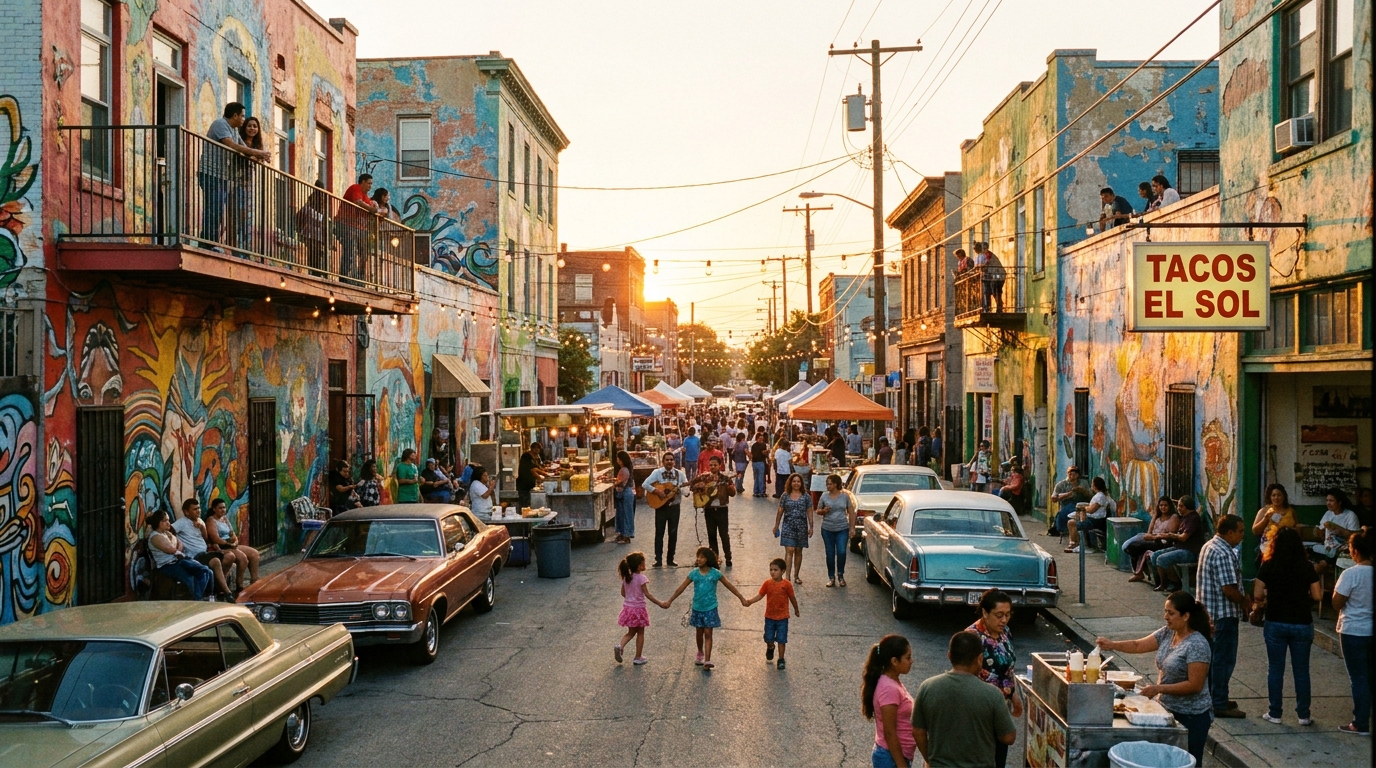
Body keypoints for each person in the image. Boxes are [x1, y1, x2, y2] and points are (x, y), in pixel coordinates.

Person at [1097, 592, 1214, 766]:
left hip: (1192, 717)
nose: (1165, 617)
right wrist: (1112, 645)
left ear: (1186, 616)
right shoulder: (1168, 632)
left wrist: (1158, 688)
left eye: (1171, 613)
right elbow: (1139, 645)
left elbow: (1195, 685)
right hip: (1167, 711)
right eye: (1165, 611)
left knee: (1186, 762)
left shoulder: (1197, 644)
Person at [912, 631, 1017, 768]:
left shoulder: (927, 687)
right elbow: (1008, 737)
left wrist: (930, 760)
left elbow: (918, 731)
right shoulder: (992, 694)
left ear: (949, 656)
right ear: (980, 659)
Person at [1253, 526, 1321, 725]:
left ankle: (1275, 713)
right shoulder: (1306, 566)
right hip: (1301, 622)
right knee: (1301, 670)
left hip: (1275, 621)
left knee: (1275, 668)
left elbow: (1257, 593)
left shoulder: (1269, 565)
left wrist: (1268, 594)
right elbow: (1317, 595)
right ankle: (1303, 715)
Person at [663, 547, 748, 671]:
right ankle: (700, 652)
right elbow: (681, 588)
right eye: (698, 556)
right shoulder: (694, 574)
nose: (699, 559)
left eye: (702, 557)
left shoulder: (715, 573)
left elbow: (729, 585)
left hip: (711, 608)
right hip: (697, 608)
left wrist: (741, 597)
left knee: (708, 633)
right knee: (699, 633)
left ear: (708, 559)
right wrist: (670, 600)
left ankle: (707, 659)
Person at [1199, 514, 1250, 719]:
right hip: (1222, 615)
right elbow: (1228, 589)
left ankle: (1215, 696)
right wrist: (1245, 601)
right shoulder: (1223, 553)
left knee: (1214, 659)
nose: (1242, 536)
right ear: (1230, 532)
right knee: (1223, 660)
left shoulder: (1209, 546)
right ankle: (1219, 701)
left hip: (1209, 614)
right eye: (1240, 532)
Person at [967, 590, 1023, 768]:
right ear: (985, 612)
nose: (1004, 620)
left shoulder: (1005, 632)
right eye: (999, 615)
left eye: (1008, 615)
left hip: (1001, 708)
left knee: (999, 758)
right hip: (979, 712)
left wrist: (1014, 695)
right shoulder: (972, 637)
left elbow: (1008, 669)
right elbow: (964, 676)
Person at [199, 103, 267, 249]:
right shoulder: (220, 124)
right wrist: (259, 153)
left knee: (217, 210)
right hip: (210, 173)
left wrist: (259, 158)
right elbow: (233, 146)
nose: (243, 119)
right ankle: (207, 243)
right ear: (235, 115)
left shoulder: (234, 131)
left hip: (221, 176)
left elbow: (245, 150)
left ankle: (210, 242)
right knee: (214, 209)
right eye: (242, 116)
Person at [1333, 529, 1373, 735]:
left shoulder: (1350, 574)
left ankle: (1360, 722)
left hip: (1353, 630)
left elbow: (1337, 602)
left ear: (1355, 551)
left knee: (1358, 678)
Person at [862, 634, 916, 768]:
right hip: (891, 759)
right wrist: (901, 765)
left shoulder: (892, 681)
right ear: (894, 661)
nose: (911, 661)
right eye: (908, 657)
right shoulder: (888, 689)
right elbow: (890, 733)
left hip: (894, 757)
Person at [744, 557, 800, 670]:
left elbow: (792, 597)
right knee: (769, 637)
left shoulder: (787, 585)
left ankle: (781, 659)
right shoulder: (767, 584)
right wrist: (750, 601)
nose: (772, 572)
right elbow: (760, 595)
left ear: (783, 571)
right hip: (769, 617)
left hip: (783, 617)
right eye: (771, 570)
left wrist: (796, 609)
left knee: (781, 639)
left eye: (776, 570)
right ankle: (770, 647)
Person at [172, 499, 234, 599]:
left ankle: (219, 586)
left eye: (199, 508)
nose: (198, 511)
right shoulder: (181, 523)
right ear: (186, 512)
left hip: (205, 553)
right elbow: (169, 531)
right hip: (194, 556)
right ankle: (227, 593)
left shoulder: (200, 521)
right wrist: (177, 544)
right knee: (215, 561)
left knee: (230, 556)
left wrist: (202, 528)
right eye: (195, 509)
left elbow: (206, 539)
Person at [146, 510, 213, 600]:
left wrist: (175, 546)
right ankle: (198, 600)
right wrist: (175, 545)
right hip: (167, 565)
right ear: (158, 522)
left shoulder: (166, 533)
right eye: (165, 521)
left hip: (179, 560)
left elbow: (180, 545)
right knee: (189, 579)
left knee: (205, 571)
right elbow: (170, 550)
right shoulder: (155, 537)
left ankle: (201, 597)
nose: (168, 523)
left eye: (168, 520)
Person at [614, 552, 667, 665]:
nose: (645, 565)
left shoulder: (626, 578)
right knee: (640, 632)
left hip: (628, 609)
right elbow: (647, 594)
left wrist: (630, 598)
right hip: (639, 609)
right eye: (643, 563)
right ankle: (638, 657)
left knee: (630, 632)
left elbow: (623, 593)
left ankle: (620, 646)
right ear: (638, 566)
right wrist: (659, 603)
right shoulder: (641, 578)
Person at [1150, 496, 1206, 592]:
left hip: (1190, 551)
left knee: (1162, 559)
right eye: (1178, 506)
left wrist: (1170, 535)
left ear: (1188, 507)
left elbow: (1183, 537)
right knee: (1155, 555)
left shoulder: (1193, 518)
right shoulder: (1185, 517)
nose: (1178, 508)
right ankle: (1165, 582)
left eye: (1181, 506)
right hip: (1180, 547)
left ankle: (1173, 583)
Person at [642, 452, 687, 568]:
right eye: (667, 460)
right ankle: (658, 560)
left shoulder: (680, 474)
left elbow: (687, 491)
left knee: (673, 533)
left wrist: (681, 490)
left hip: (674, 508)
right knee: (659, 533)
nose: (669, 462)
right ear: (663, 462)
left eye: (671, 460)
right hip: (661, 507)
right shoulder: (657, 473)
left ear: (674, 462)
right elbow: (645, 484)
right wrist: (657, 491)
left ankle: (670, 559)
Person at [692, 456, 736, 568]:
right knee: (712, 535)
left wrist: (729, 488)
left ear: (720, 465)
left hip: (722, 509)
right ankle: (715, 558)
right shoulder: (704, 477)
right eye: (711, 465)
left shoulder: (725, 478)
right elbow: (692, 486)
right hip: (709, 509)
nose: (712, 467)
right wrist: (698, 486)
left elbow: (732, 493)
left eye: (715, 465)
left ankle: (728, 557)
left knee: (724, 534)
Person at [206, 498, 259, 589]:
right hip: (222, 546)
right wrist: (229, 544)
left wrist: (235, 541)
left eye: (224, 507)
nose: (223, 510)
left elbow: (232, 533)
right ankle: (239, 584)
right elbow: (215, 538)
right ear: (214, 509)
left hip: (231, 544)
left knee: (254, 554)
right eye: (220, 508)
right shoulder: (211, 520)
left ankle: (254, 581)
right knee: (243, 558)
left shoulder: (225, 519)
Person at [1124, 496, 1180, 582]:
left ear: (1170, 506)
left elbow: (1169, 535)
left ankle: (1138, 573)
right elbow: (1148, 533)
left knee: (1134, 548)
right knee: (1130, 547)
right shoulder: (1157, 517)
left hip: (1163, 543)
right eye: (1161, 505)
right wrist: (1154, 517)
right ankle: (1138, 572)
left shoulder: (1173, 517)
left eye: (1165, 505)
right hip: (1152, 540)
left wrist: (1154, 536)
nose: (1163, 507)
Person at [816, 473, 857, 588]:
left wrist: (852, 527)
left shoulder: (844, 496)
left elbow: (851, 512)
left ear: (836, 484)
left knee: (841, 552)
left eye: (830, 484)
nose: (828, 486)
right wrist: (824, 511)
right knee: (830, 554)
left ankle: (840, 575)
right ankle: (831, 577)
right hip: (827, 529)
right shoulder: (824, 496)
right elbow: (818, 510)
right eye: (827, 484)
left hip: (842, 528)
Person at [1309, 488, 1360, 576]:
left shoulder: (1350, 515)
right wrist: (1318, 531)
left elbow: (1356, 537)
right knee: (1309, 550)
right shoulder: (1328, 513)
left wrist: (1338, 528)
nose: (1328, 503)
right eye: (1327, 500)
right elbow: (1320, 532)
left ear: (1339, 502)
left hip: (1342, 550)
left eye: (1331, 501)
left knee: (1327, 560)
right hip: (1327, 548)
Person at [236, 115, 268, 248]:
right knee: (236, 215)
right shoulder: (239, 141)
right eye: (249, 126)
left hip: (248, 183)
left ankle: (245, 248)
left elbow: (261, 159)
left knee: (247, 216)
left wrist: (260, 157)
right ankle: (236, 246)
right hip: (236, 181)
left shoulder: (257, 145)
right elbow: (240, 154)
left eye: (255, 126)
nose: (252, 128)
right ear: (244, 127)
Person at [774, 474, 813, 585]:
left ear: (801, 483)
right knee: (789, 550)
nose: (796, 483)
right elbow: (780, 511)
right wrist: (776, 525)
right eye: (794, 481)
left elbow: (810, 511)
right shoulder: (785, 496)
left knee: (798, 551)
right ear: (790, 483)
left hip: (801, 527)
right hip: (788, 526)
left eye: (798, 481)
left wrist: (811, 526)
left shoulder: (806, 497)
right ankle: (787, 577)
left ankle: (796, 575)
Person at [1251, 483, 1298, 569]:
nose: (1276, 498)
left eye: (1279, 495)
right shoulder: (1265, 511)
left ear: (1284, 496)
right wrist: (1265, 519)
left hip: (1288, 550)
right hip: (1269, 550)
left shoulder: (1291, 511)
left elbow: (1296, 528)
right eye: (1273, 495)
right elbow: (1255, 531)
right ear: (1270, 497)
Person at [1065, 476, 1115, 553]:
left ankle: (1077, 544)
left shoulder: (1100, 496)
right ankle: (1074, 543)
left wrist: (1083, 509)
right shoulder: (1099, 495)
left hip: (1097, 521)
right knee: (1071, 522)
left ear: (1095, 485)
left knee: (1075, 523)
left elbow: (1092, 509)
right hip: (1094, 519)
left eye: (1092, 483)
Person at [1050, 465, 1090, 535]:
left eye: (1074, 472)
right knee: (1067, 511)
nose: (1071, 474)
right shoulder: (1061, 484)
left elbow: (1091, 496)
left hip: (1081, 505)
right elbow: (1054, 498)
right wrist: (1069, 494)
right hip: (1066, 506)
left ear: (1077, 474)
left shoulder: (1084, 483)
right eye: (1070, 473)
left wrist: (1083, 491)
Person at [974, 242, 1006, 312]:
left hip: (997, 275)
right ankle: (995, 308)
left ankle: (999, 308)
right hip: (994, 275)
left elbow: (986, 264)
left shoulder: (988, 254)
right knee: (992, 292)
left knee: (996, 291)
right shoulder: (984, 254)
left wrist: (979, 266)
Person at [613, 450, 636, 545]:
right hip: (627, 493)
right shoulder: (626, 469)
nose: (617, 460)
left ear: (621, 460)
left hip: (626, 494)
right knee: (622, 513)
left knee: (626, 514)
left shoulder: (624, 470)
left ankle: (627, 535)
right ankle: (623, 533)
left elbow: (620, 482)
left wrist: (613, 482)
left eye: (618, 459)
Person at [516, 444, 547, 510]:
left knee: (529, 503)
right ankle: (523, 517)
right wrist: (542, 477)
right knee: (524, 504)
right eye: (535, 448)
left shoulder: (536, 457)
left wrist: (545, 472)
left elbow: (539, 468)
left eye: (538, 448)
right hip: (523, 484)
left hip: (530, 484)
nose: (537, 450)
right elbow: (533, 470)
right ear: (531, 448)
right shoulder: (526, 456)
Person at [750, 431, 770, 498]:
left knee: (756, 477)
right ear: (757, 438)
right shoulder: (762, 445)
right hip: (760, 462)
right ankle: (761, 492)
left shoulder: (754, 446)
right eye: (760, 439)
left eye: (762, 439)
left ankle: (756, 491)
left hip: (755, 463)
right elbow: (757, 455)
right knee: (760, 477)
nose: (761, 440)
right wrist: (764, 453)